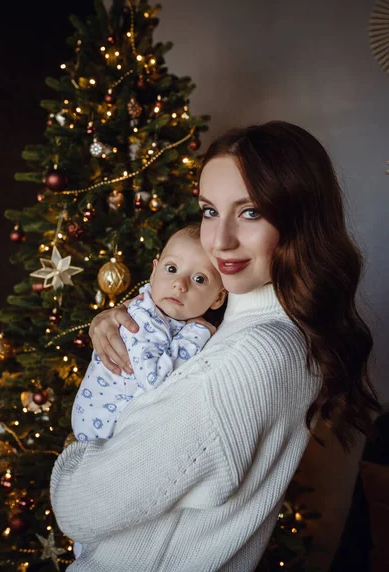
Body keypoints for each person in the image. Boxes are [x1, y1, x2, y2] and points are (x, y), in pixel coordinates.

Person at [50, 121, 381, 572]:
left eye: (250, 212)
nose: (220, 241)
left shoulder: (243, 362)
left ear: (299, 217)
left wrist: (77, 451)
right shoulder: (274, 329)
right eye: (209, 211)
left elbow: (78, 507)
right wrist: (120, 321)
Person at [72, 224, 226, 443]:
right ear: (154, 272)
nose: (180, 284)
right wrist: (196, 332)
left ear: (218, 298)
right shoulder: (142, 320)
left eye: (199, 279)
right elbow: (155, 380)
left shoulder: (173, 319)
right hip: (105, 425)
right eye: (171, 269)